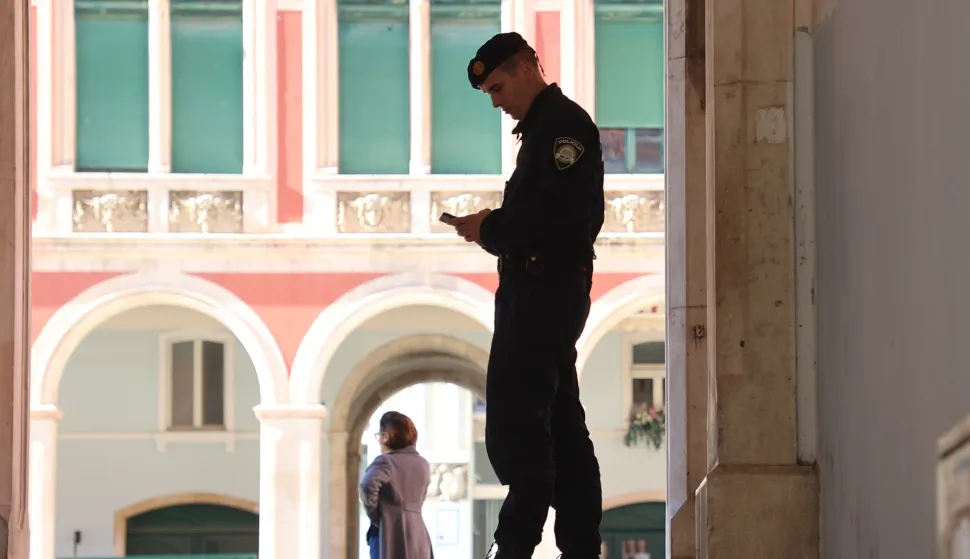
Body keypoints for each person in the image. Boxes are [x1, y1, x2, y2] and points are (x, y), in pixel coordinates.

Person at [450, 32, 604, 559]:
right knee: (561, 425)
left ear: (525, 67)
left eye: (497, 87)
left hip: (543, 290)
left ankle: (515, 544)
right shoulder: (543, 130)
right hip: (542, 287)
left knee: (520, 422)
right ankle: (577, 546)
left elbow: (552, 217)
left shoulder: (563, 128)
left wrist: (489, 226)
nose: (495, 101)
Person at [359, 411, 435, 559]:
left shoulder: (386, 462)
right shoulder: (423, 464)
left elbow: (367, 485)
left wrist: (376, 515)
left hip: (390, 531)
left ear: (386, 437)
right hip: (417, 533)